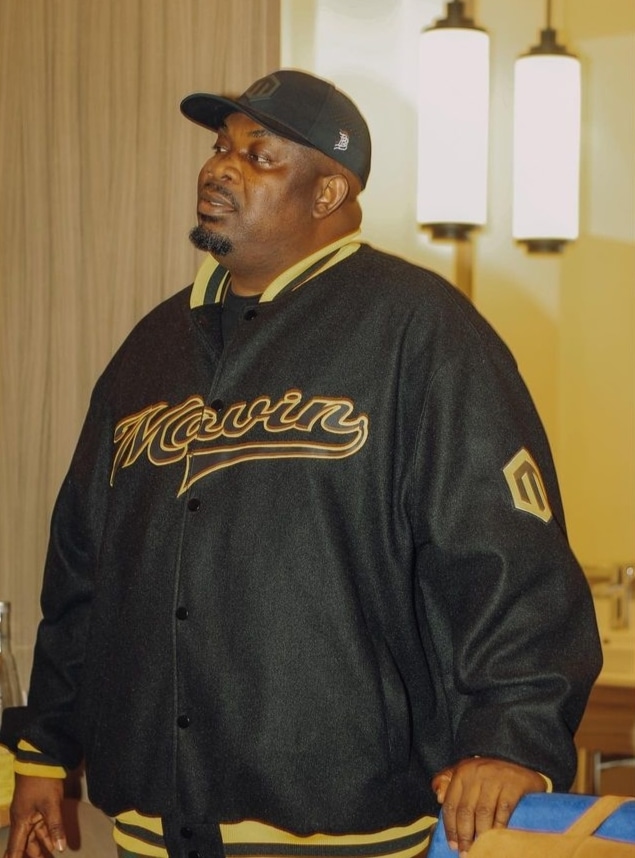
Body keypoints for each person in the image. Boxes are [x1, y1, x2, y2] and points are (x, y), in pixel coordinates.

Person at [1, 69, 601, 858]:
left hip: (347, 828)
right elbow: (83, 564)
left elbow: (507, 556)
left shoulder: (419, 330)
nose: (219, 167)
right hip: (152, 829)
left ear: (327, 192)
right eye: (219, 147)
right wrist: (42, 752)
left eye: (258, 155)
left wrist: (510, 737)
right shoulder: (150, 349)